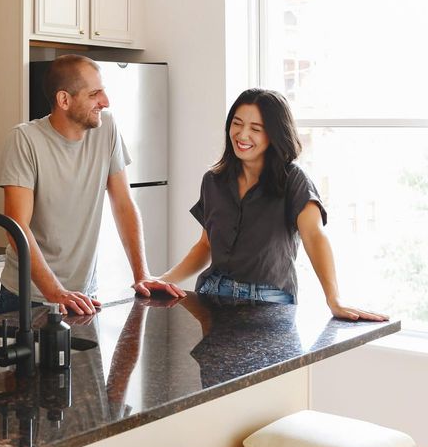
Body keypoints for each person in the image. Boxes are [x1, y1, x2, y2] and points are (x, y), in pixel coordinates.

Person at [164, 88, 388, 322]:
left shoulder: (293, 180)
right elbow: (205, 245)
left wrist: (334, 299)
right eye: (237, 124)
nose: (242, 135)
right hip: (212, 296)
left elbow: (314, 237)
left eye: (256, 129)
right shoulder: (213, 181)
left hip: (270, 302)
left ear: (274, 134)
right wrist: (164, 280)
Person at [0, 54, 185, 316]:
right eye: (95, 94)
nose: (105, 102)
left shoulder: (107, 129)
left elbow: (124, 205)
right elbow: (17, 227)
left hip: (83, 297)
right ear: (64, 100)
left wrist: (142, 275)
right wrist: (55, 292)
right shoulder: (25, 140)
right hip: (28, 298)